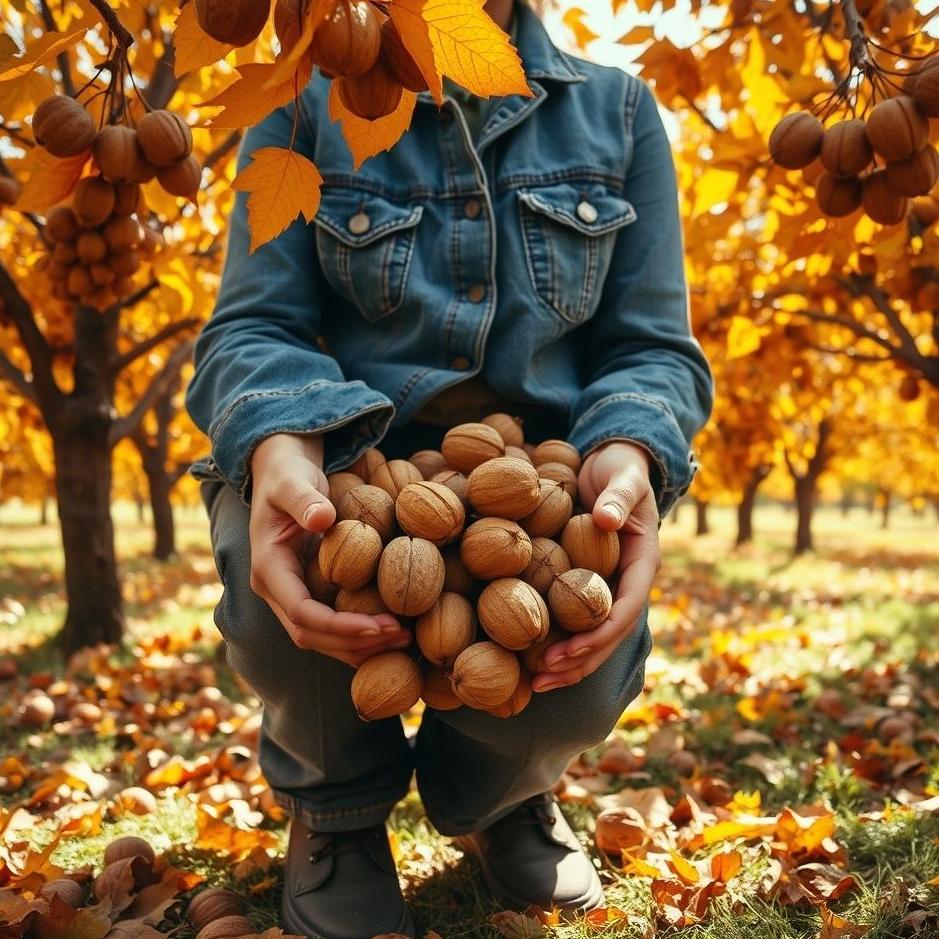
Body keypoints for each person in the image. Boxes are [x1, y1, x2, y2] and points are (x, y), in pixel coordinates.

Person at [186, 0, 713, 934]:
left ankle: (499, 796)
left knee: (577, 658)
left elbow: (652, 348)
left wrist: (629, 447)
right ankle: (336, 807)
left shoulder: (619, 111)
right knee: (283, 599)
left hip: (539, 472)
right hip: (346, 453)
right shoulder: (301, 102)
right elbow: (252, 326)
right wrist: (282, 446)